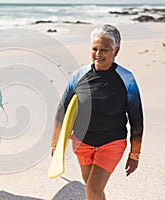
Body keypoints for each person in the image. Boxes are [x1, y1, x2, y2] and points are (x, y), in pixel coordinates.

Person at [51, 24, 143, 200]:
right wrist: (55, 144)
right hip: (81, 142)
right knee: (93, 189)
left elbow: (136, 119)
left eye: (104, 49)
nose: (98, 54)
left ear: (116, 51)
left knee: (92, 189)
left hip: (111, 143)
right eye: (94, 49)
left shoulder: (127, 79)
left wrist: (135, 154)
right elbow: (62, 109)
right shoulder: (79, 76)